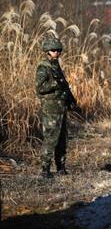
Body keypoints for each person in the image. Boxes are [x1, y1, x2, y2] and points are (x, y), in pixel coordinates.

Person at [35, 38, 76, 178]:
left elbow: (64, 85)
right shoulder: (44, 67)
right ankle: (45, 170)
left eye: (59, 50)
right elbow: (40, 88)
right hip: (51, 108)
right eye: (54, 50)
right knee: (51, 138)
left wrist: (71, 100)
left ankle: (61, 167)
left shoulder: (56, 65)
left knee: (62, 139)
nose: (57, 53)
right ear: (47, 51)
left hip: (61, 107)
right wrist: (55, 85)